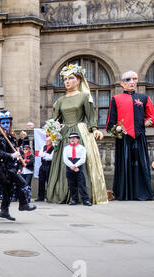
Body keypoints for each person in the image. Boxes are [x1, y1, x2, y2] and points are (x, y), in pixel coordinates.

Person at [46, 64, 108, 204]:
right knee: (63, 164)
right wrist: (51, 133)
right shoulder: (60, 100)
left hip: (79, 131)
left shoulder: (85, 96)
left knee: (81, 165)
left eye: (71, 78)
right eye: (65, 79)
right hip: (64, 134)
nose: (67, 81)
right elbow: (56, 120)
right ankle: (64, 194)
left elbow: (91, 116)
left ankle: (83, 196)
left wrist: (94, 128)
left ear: (79, 80)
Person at [106, 70, 154, 200]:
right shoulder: (116, 99)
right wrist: (116, 129)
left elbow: (153, 118)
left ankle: (143, 194)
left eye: (135, 79)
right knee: (124, 166)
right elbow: (110, 123)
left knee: (141, 165)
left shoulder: (144, 98)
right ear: (122, 83)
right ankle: (124, 194)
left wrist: (148, 122)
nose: (132, 82)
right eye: (128, 79)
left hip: (139, 136)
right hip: (124, 138)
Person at [0, 110, 37, 221]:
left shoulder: (9, 135)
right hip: (3, 168)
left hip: (10, 167)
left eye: (7, 122)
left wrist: (20, 139)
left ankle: (4, 211)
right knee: (22, 183)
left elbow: (12, 147)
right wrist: (11, 155)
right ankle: (23, 204)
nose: (5, 125)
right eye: (3, 123)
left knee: (8, 190)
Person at [63, 133, 91, 206]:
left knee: (81, 184)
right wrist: (71, 166)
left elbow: (83, 159)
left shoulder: (81, 148)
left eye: (74, 138)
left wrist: (75, 166)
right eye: (71, 138)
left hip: (78, 166)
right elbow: (65, 159)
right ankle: (74, 199)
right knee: (71, 184)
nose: (72, 139)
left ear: (77, 139)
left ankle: (85, 200)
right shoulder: (66, 148)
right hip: (69, 166)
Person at [36, 137, 54, 202]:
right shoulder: (44, 147)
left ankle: (49, 196)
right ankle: (40, 197)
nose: (46, 142)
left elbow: (51, 157)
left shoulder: (53, 148)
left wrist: (45, 155)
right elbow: (40, 154)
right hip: (43, 165)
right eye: (46, 141)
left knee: (48, 181)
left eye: (48, 141)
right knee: (41, 181)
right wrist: (46, 155)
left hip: (49, 165)